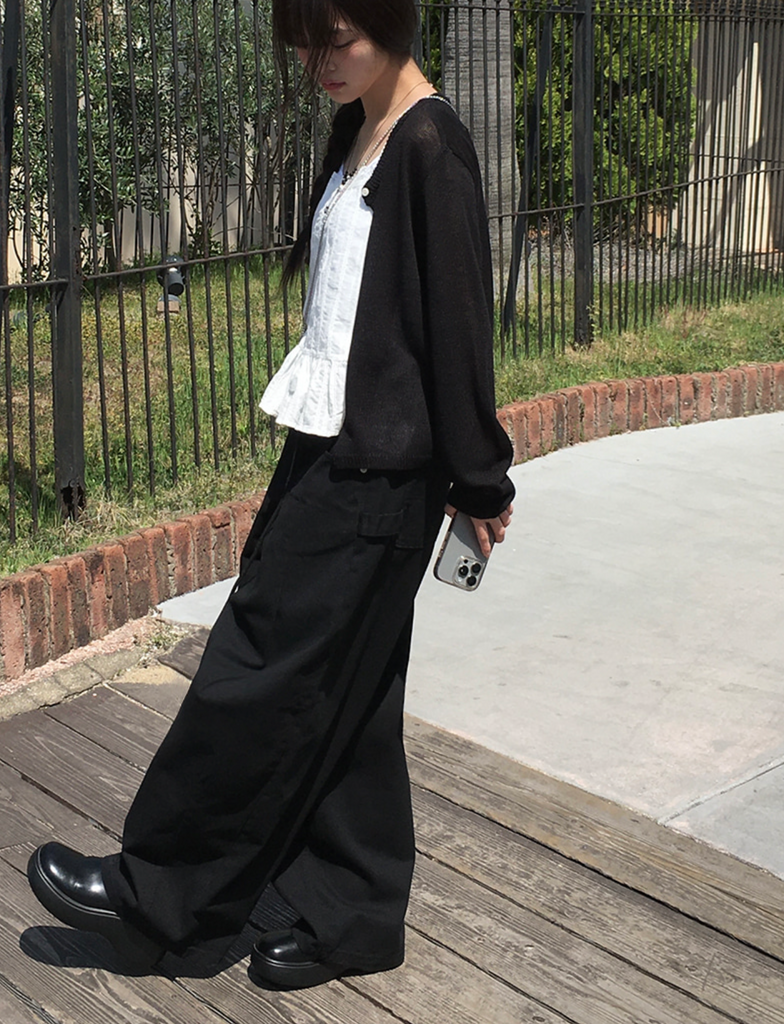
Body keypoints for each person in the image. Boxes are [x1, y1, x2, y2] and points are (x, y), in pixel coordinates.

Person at [26, 0, 514, 991]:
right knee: (351, 691)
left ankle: (158, 890)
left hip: (379, 474)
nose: (316, 60)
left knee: (258, 667)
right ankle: (353, 911)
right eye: (302, 42)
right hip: (327, 450)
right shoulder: (364, 129)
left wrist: (480, 479)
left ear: (390, 18)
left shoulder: (432, 146)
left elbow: (461, 331)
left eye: (336, 37)